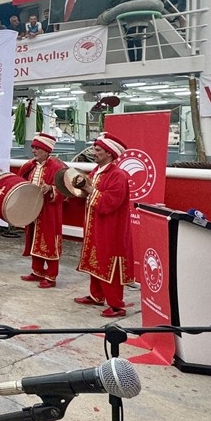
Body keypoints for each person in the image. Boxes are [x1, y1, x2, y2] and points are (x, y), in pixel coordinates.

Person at [73, 133, 131, 317]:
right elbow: (88, 196)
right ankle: (96, 295)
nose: (94, 153)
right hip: (95, 224)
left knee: (109, 263)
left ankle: (116, 305)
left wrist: (89, 189)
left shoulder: (118, 176)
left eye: (98, 150)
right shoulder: (97, 171)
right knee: (95, 259)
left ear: (109, 153)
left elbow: (109, 203)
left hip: (110, 228)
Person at [18, 133, 66, 288]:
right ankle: (37, 271)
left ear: (46, 150)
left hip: (49, 211)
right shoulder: (31, 165)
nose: (33, 151)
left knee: (50, 241)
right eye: (33, 147)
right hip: (33, 210)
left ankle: (51, 276)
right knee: (33, 238)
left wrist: (51, 188)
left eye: (37, 148)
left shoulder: (57, 167)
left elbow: (64, 190)